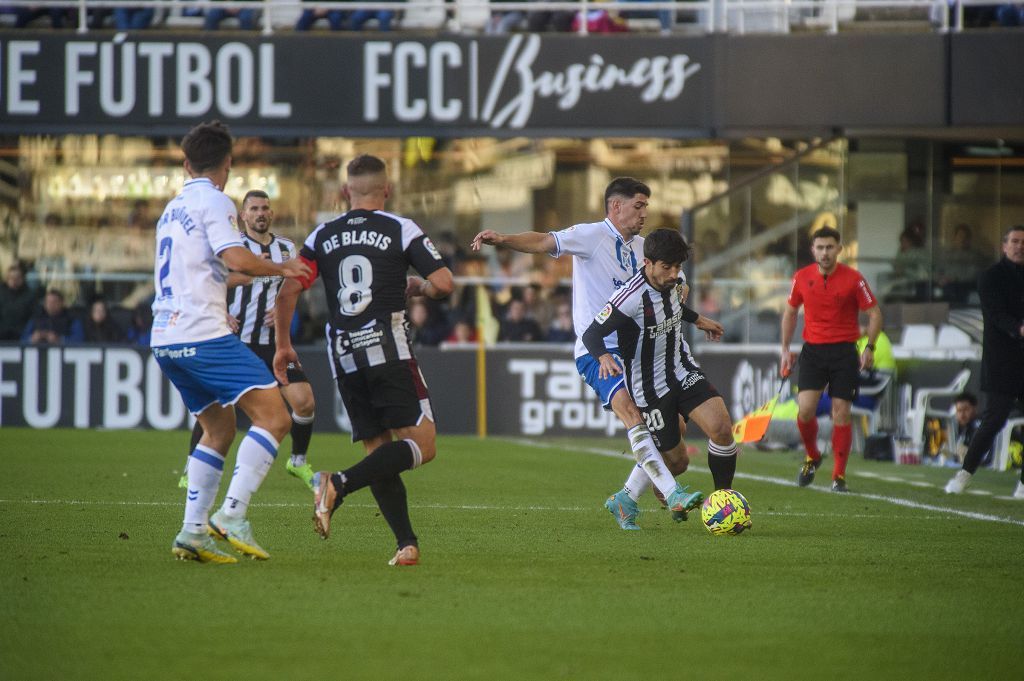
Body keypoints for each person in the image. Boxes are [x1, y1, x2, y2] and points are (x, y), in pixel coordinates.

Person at [471, 178, 722, 531]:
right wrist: (504, 239)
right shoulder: (589, 236)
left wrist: (691, 312)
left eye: (646, 207)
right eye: (638, 206)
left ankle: (625, 499)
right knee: (631, 414)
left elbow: (660, 293)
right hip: (597, 349)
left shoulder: (642, 249)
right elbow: (544, 241)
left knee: (673, 436)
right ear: (615, 206)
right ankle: (673, 492)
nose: (644, 213)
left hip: (639, 353)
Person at [273, 154, 454, 567]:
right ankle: (336, 483)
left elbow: (288, 291)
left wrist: (283, 345)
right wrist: (417, 287)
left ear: (344, 193)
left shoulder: (321, 236)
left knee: (379, 450)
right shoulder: (399, 228)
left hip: (345, 355)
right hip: (387, 348)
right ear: (386, 190)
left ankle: (405, 544)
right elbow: (444, 283)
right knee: (424, 446)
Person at [153, 120, 311, 564]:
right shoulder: (216, 201)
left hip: (166, 336)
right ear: (227, 165)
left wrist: (242, 274)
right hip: (203, 333)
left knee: (218, 429)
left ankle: (192, 532)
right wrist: (282, 268)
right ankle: (231, 515)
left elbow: (216, 269)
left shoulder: (172, 210)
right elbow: (234, 255)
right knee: (277, 417)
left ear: (186, 164)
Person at [582, 228, 733, 524]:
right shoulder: (629, 297)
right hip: (650, 388)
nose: (674, 274)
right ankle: (626, 496)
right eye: (667, 267)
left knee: (721, 428)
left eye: (678, 267)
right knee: (678, 462)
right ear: (647, 263)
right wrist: (603, 357)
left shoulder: (674, 283)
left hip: (681, 368)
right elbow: (592, 333)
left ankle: (723, 502)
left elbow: (675, 308)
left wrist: (700, 320)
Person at [180, 190, 319, 492]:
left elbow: (294, 287)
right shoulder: (232, 248)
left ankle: (297, 461)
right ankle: (192, 466)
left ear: (271, 213)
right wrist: (222, 311)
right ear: (243, 216)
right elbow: (210, 281)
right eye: (254, 208)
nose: (260, 213)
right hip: (235, 340)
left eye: (265, 208)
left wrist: (281, 310)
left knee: (304, 402)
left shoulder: (286, 248)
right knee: (216, 406)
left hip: (273, 343)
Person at [781, 226, 883, 493]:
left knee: (841, 412)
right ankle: (813, 455)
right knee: (804, 409)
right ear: (812, 249)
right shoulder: (802, 277)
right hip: (813, 351)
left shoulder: (854, 279)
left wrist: (869, 347)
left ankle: (838, 476)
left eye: (829, 247)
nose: (825, 253)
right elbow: (790, 312)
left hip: (844, 352)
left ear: (840, 249)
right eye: (820, 247)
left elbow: (874, 314)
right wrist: (785, 349)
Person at [945, 225, 1024, 498]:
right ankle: (965, 473)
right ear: (1004, 246)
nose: (1019, 246)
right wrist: (1019, 329)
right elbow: (995, 314)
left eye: (1023, 242)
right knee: (994, 419)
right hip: (1002, 360)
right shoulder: (990, 277)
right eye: (1014, 241)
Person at [947, 392, 990, 467]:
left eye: (966, 410)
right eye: (959, 411)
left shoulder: (980, 425)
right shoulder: (964, 427)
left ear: (975, 408)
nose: (962, 415)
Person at [0, 263, 38, 341]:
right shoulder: (1, 293)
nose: (14, 281)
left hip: (21, 336)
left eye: (17, 278)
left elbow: (33, 317)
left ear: (23, 279)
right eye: (11, 278)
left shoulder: (30, 295)